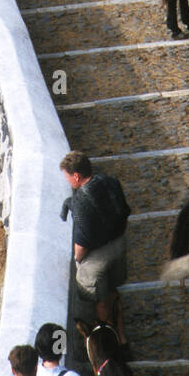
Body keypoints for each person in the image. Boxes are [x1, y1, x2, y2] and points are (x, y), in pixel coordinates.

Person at [59, 150, 131, 353]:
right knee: (112, 292)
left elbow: (82, 245)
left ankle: (109, 345)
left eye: (67, 176)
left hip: (97, 258)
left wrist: (77, 260)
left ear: (76, 176)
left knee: (100, 303)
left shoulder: (81, 202)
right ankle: (123, 338)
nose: (67, 180)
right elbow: (124, 212)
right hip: (118, 244)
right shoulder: (110, 182)